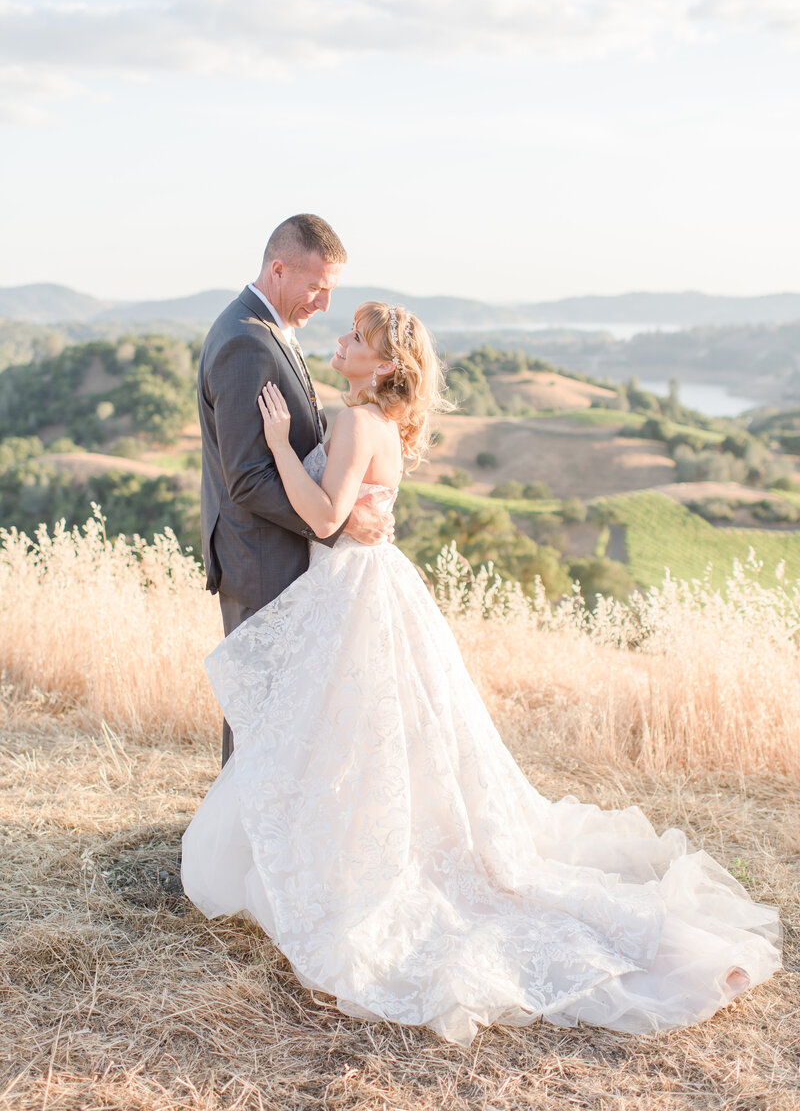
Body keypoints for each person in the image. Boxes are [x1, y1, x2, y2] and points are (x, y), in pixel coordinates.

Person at [182, 302, 781, 1048]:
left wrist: (276, 444)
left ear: (385, 364)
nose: (340, 340)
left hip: (351, 592)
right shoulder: (381, 425)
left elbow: (326, 517)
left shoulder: (356, 422)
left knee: (351, 740)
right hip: (372, 586)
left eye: (356, 337)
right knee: (375, 741)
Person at [197, 214, 393, 766]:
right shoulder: (246, 342)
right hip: (260, 557)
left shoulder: (268, 328)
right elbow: (247, 478)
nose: (325, 305)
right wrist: (340, 520)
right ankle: (242, 822)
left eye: (331, 290)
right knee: (260, 715)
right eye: (316, 287)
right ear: (279, 270)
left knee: (281, 715)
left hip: (279, 553)